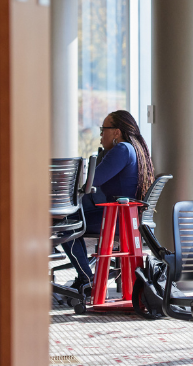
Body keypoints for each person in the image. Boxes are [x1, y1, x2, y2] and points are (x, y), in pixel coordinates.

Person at [62, 110, 155, 292]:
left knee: (66, 223)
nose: (101, 135)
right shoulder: (133, 148)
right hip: (129, 218)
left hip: (119, 220)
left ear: (116, 132)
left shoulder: (122, 149)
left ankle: (86, 278)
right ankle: (86, 275)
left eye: (103, 130)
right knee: (73, 218)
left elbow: (93, 180)